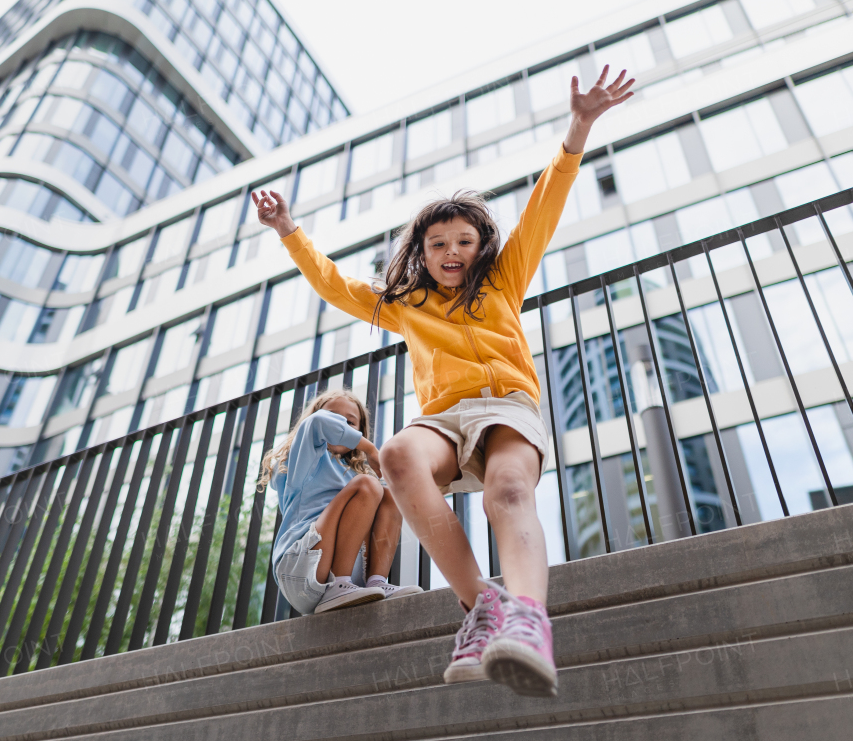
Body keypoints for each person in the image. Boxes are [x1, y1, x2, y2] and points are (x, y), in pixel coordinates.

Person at [251, 68, 633, 695]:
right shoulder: (405, 303)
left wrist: (580, 127)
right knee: (398, 452)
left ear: (481, 245)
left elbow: (546, 203)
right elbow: (335, 284)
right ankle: (482, 605)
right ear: (421, 253)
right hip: (445, 420)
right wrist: (289, 231)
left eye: (463, 240)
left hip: (507, 405)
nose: (451, 252)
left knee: (507, 494)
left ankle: (528, 621)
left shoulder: (505, 278)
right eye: (437, 244)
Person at [261, 389, 424, 615]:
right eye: (334, 418)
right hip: (301, 568)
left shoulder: (354, 477)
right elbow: (318, 423)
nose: (341, 425)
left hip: (347, 578)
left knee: (388, 495)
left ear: (359, 431)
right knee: (367, 485)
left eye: (350, 422)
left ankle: (376, 581)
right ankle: (340, 582)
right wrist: (370, 449)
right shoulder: (303, 457)